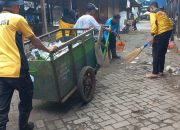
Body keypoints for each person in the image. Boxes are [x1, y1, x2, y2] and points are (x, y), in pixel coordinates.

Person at [0, 0, 57, 130]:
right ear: (14, 6)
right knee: (26, 99)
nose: (19, 7)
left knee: (2, 109)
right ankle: (24, 126)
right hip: (17, 69)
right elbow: (35, 41)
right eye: (18, 5)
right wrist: (49, 49)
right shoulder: (17, 19)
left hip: (1, 71)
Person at [146, 2, 173, 78]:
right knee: (162, 53)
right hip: (168, 32)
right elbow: (170, 23)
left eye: (150, 9)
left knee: (155, 53)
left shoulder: (153, 13)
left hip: (161, 33)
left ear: (152, 7)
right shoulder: (163, 12)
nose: (150, 10)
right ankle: (160, 71)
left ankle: (155, 73)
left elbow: (154, 25)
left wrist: (152, 36)